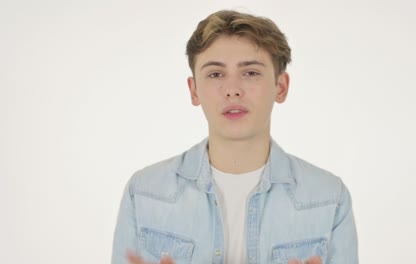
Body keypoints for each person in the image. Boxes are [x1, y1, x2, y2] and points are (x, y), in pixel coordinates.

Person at [111, 9, 358, 264]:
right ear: (194, 90)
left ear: (281, 87)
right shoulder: (142, 193)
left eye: (250, 72)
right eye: (215, 74)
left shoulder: (330, 198)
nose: (232, 90)